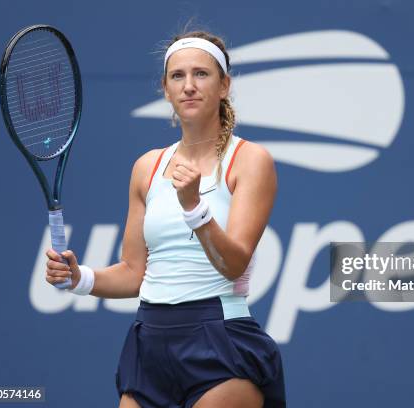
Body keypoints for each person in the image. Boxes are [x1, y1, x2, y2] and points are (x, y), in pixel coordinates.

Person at [45, 29, 286, 408]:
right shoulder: (147, 167)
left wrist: (195, 209)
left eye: (201, 74)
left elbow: (234, 263)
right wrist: (80, 278)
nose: (189, 86)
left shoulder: (251, 161)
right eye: (178, 76)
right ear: (166, 88)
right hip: (149, 343)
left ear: (224, 85)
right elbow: (133, 272)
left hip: (220, 342)